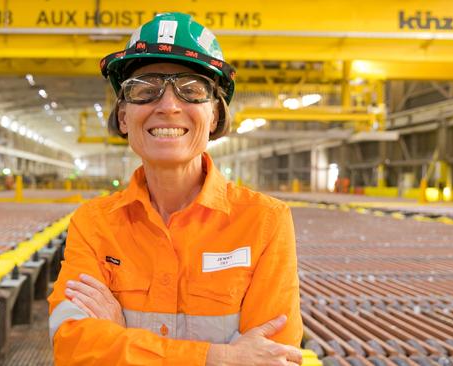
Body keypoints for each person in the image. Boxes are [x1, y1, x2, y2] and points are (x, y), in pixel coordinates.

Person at [48, 12, 303, 365]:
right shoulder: (93, 224)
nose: (168, 106)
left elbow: (273, 359)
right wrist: (217, 357)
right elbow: (74, 347)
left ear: (214, 115)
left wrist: (122, 338)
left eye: (192, 90)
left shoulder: (265, 223)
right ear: (123, 116)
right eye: (144, 90)